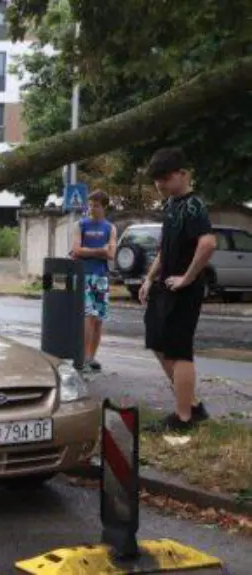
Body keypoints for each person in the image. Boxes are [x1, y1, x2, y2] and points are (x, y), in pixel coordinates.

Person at [139, 147, 216, 432]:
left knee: (179, 350)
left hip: (184, 290)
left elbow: (207, 244)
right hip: (164, 286)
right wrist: (149, 279)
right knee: (158, 342)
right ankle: (192, 404)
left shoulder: (194, 205)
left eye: (165, 178)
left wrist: (187, 277)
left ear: (183, 174)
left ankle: (184, 418)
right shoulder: (171, 204)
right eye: (156, 179)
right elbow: (164, 249)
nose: (159, 184)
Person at [70, 190, 116, 372]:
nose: (92, 208)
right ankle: (81, 357)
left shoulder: (110, 227)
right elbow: (76, 251)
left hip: (102, 276)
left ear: (104, 206)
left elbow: (111, 254)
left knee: (98, 319)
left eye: (96, 205)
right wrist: (100, 251)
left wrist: (90, 251)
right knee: (88, 316)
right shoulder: (80, 225)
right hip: (85, 275)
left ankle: (91, 357)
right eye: (90, 205)